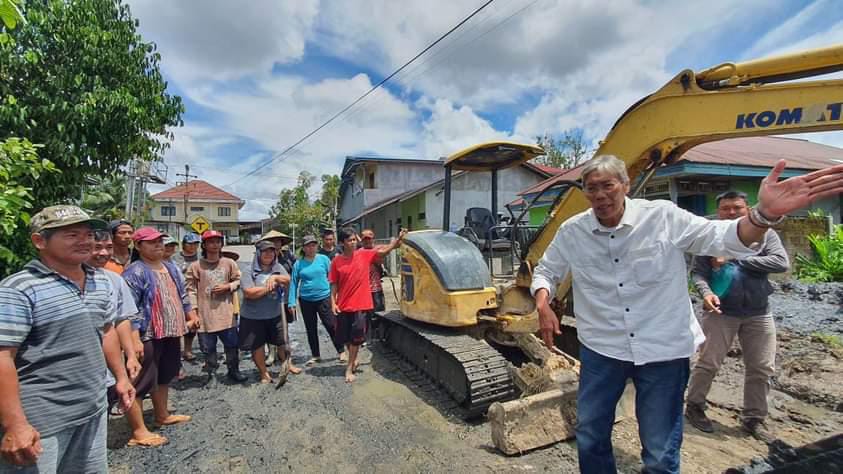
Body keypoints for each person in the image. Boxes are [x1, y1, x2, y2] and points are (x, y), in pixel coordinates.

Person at [531, 155, 843, 474]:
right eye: (591, 187)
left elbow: (721, 237)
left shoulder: (663, 217)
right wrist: (543, 304)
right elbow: (546, 271)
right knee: (590, 434)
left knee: (659, 449)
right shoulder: (573, 231)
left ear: (625, 186)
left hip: (663, 349)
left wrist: (763, 215)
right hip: (603, 349)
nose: (600, 194)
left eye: (608, 185)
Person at [0, 206, 135, 471]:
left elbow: (106, 330)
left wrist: (120, 378)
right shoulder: (19, 289)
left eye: (88, 234)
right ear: (40, 241)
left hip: (92, 409)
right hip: (41, 420)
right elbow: (3, 356)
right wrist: (15, 424)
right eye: (73, 235)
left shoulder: (101, 281)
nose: (85, 241)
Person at [685, 191, 789, 441]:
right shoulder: (710, 236)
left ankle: (754, 418)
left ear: (748, 209)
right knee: (708, 363)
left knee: (762, 367)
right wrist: (707, 293)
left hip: (758, 312)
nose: (731, 212)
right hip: (721, 313)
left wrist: (736, 259)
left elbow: (780, 262)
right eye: (725, 208)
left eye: (737, 208)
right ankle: (695, 406)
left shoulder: (766, 235)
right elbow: (698, 273)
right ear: (719, 211)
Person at [122, 227, 199, 447]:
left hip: (171, 331)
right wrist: (134, 340)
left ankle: (162, 415)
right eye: (151, 242)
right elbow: (130, 310)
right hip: (147, 335)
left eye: (159, 241)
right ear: (138, 246)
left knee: (165, 375)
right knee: (140, 382)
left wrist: (191, 316)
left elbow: (183, 296)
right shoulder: (135, 272)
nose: (158, 245)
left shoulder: (170, 267)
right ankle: (138, 431)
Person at [330, 227, 406, 383]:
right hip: (343, 305)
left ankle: (350, 367)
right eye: (349, 240)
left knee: (356, 338)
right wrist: (333, 302)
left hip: (361, 305)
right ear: (343, 242)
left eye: (353, 240)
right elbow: (334, 284)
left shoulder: (364, 254)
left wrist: (397, 242)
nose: (353, 242)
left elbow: (383, 252)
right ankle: (353, 358)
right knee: (344, 337)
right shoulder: (336, 261)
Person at [87, 230, 144, 407]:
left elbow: (122, 319)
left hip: (109, 367)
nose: (103, 253)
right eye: (97, 248)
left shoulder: (114, 280)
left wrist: (130, 354)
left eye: (108, 247)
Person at [186, 230, 245, 382]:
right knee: (208, 348)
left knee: (232, 345)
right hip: (205, 316)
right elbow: (190, 291)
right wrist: (193, 313)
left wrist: (228, 287)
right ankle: (211, 373)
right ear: (204, 245)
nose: (215, 245)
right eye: (211, 242)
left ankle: (234, 371)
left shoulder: (229, 263)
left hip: (226, 314)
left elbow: (238, 281)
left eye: (218, 241)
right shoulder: (195, 266)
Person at [289, 235, 346, 365]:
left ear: (317, 246)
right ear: (303, 248)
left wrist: (336, 297)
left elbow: (333, 278)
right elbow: (293, 283)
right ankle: (316, 355)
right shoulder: (298, 264)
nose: (311, 248)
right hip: (306, 300)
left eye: (313, 245)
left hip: (324, 298)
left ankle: (341, 351)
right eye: (308, 246)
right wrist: (291, 302)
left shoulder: (324, 259)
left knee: (331, 325)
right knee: (311, 328)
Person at [240, 241, 290, 383]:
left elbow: (287, 279)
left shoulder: (277, 267)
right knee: (257, 345)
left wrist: (275, 277)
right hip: (253, 317)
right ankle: (263, 373)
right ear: (258, 253)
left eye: (271, 251)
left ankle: (287, 365)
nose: (268, 254)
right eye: (265, 251)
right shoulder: (248, 270)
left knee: (282, 342)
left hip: (274, 314)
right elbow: (249, 293)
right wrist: (270, 286)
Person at [258, 231, 301, 374]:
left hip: (285, 298)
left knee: (283, 330)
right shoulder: (262, 258)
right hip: (268, 300)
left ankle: (287, 359)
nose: (275, 244)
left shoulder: (289, 258)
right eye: (272, 241)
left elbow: (293, 278)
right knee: (268, 327)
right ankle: (271, 353)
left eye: (278, 241)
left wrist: (291, 301)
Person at [172, 232, 201, 362]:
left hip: (196, 294)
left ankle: (188, 350)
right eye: (190, 244)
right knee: (177, 323)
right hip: (177, 294)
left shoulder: (201, 257)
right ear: (184, 245)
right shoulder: (175, 258)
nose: (193, 246)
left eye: (196, 244)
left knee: (193, 324)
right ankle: (175, 351)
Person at [360, 229, 387, 326]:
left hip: (376, 289)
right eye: (365, 239)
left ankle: (380, 336)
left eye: (369, 239)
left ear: (373, 239)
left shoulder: (379, 250)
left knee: (379, 314)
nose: (367, 241)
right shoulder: (359, 253)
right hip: (363, 291)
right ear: (362, 241)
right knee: (365, 317)